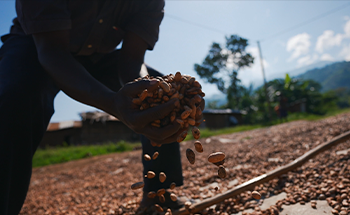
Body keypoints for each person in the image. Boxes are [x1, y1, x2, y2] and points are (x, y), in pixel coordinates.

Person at [0, 1, 204, 214]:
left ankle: (159, 197)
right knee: (17, 95)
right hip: (37, 44)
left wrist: (149, 95)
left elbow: (132, 61)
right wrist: (113, 103)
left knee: (164, 98)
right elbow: (52, 51)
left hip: (99, 54)